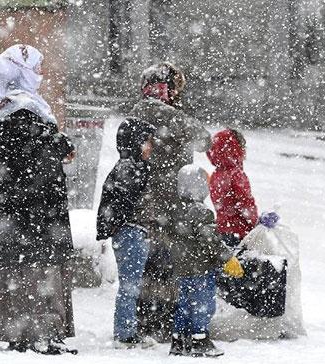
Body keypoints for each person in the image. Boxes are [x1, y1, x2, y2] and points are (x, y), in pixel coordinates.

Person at [0, 44, 77, 354]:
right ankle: (38, 333)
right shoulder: (22, 110)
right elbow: (32, 166)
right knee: (36, 275)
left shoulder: (14, 107)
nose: (42, 74)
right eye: (37, 67)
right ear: (22, 71)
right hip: (34, 219)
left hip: (17, 218)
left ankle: (27, 332)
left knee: (20, 274)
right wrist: (55, 143)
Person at [129, 62, 212, 341]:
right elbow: (203, 138)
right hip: (162, 202)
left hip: (153, 201)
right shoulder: (156, 110)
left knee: (153, 263)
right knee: (162, 262)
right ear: (163, 88)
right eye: (175, 87)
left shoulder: (144, 110)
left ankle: (150, 320)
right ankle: (158, 321)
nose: (178, 93)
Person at [168, 164, 244, 357]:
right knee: (202, 305)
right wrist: (228, 258)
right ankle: (199, 340)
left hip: (180, 270)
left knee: (182, 305)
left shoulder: (175, 210)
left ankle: (179, 340)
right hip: (200, 269)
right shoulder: (201, 211)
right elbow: (211, 240)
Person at [96, 118, 157, 348]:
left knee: (133, 285)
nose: (150, 147)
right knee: (130, 285)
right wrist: (122, 224)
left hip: (132, 231)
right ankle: (124, 333)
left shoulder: (131, 166)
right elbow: (121, 202)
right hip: (130, 232)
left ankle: (128, 328)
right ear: (135, 143)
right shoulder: (130, 168)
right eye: (147, 142)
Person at [207, 129, 258, 245]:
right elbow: (245, 203)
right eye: (242, 146)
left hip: (223, 229)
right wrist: (256, 221)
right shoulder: (236, 174)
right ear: (235, 149)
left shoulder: (216, 174)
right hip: (240, 232)